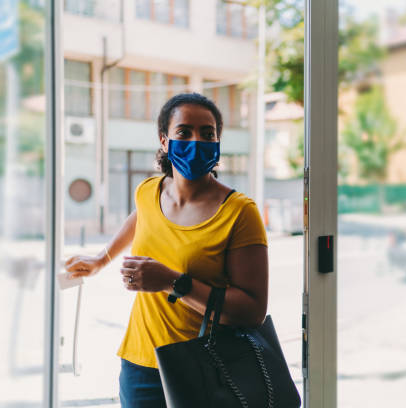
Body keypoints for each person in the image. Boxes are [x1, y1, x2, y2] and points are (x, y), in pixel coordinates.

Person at [65, 93, 269, 408]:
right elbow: (141, 217)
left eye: (208, 133)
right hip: (140, 364)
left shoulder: (240, 212)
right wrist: (101, 259)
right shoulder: (149, 191)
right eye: (184, 132)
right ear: (164, 140)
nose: (197, 141)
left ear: (218, 141)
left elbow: (252, 310)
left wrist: (172, 282)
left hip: (204, 365)